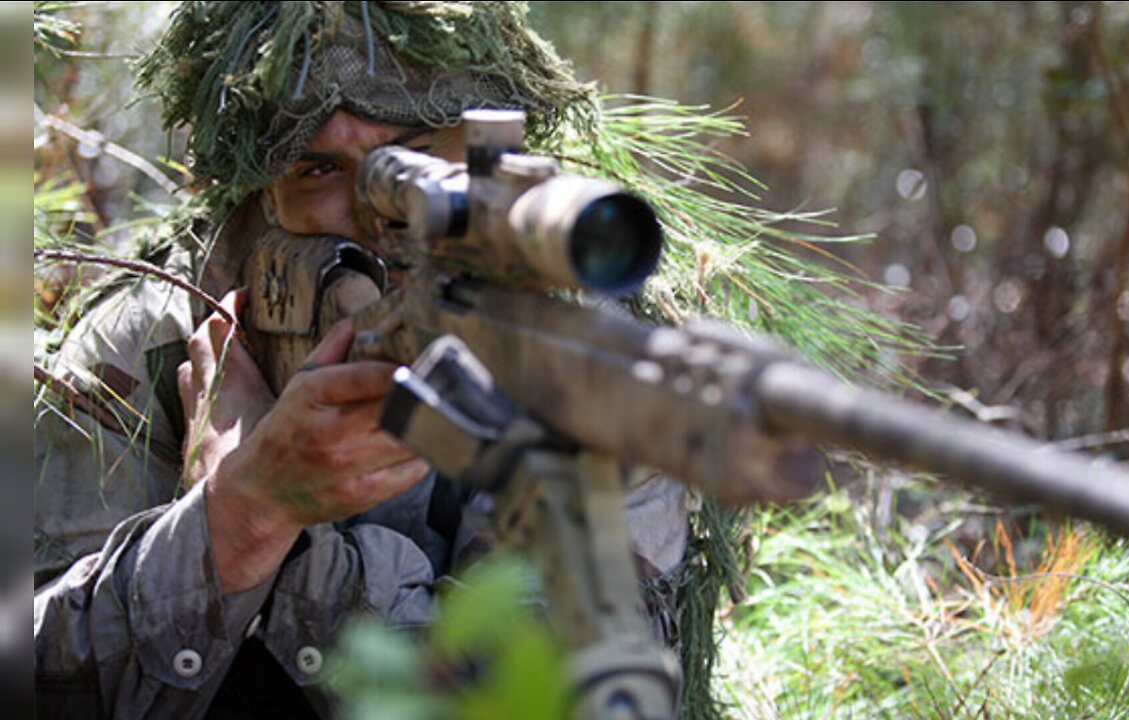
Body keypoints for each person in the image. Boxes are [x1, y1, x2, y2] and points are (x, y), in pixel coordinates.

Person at [35, 4, 687, 717]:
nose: (377, 221)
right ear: (257, 188)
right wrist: (233, 520)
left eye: (415, 153)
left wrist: (285, 539)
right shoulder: (149, 346)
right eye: (316, 168)